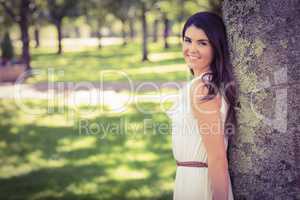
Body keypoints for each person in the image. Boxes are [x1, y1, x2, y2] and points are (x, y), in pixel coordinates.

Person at [166, 12, 238, 200]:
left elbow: (217, 159)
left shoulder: (203, 88)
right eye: (188, 40)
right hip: (188, 179)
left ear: (216, 47)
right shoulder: (203, 83)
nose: (191, 49)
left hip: (199, 184)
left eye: (202, 43)